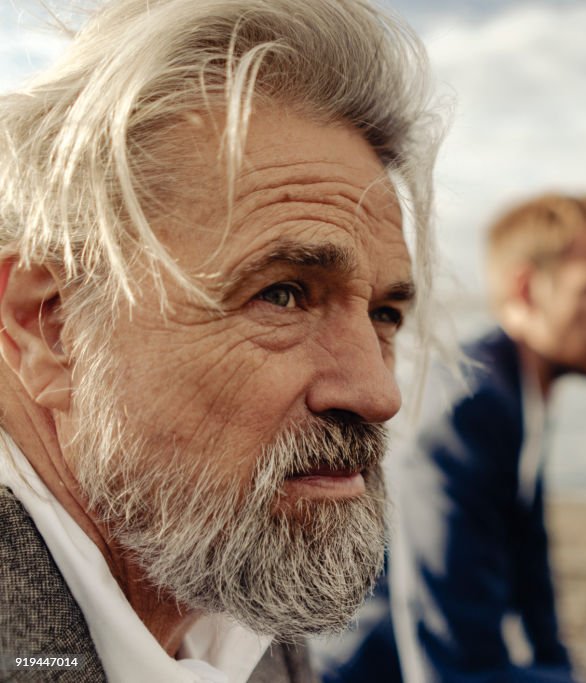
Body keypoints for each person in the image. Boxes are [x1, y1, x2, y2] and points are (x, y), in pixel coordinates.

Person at [0, 1, 441, 681]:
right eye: (283, 294)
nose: (380, 393)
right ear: (50, 326)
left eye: (385, 314)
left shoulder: (236, 583)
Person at [331, 193, 586, 683]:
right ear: (527, 288)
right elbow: (451, 665)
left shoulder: (516, 389)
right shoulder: (470, 409)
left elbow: (529, 557)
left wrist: (562, 667)